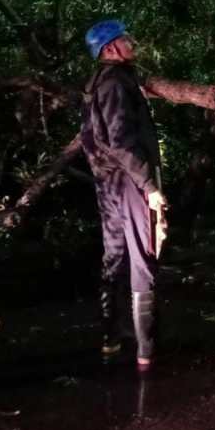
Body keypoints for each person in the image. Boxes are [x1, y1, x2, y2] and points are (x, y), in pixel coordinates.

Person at [81, 19, 167, 370]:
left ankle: (110, 339)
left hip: (108, 184)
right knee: (143, 258)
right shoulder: (115, 83)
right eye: (125, 38)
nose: (132, 41)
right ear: (110, 48)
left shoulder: (100, 82)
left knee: (113, 255)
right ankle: (146, 353)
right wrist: (151, 189)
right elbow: (119, 140)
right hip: (129, 182)